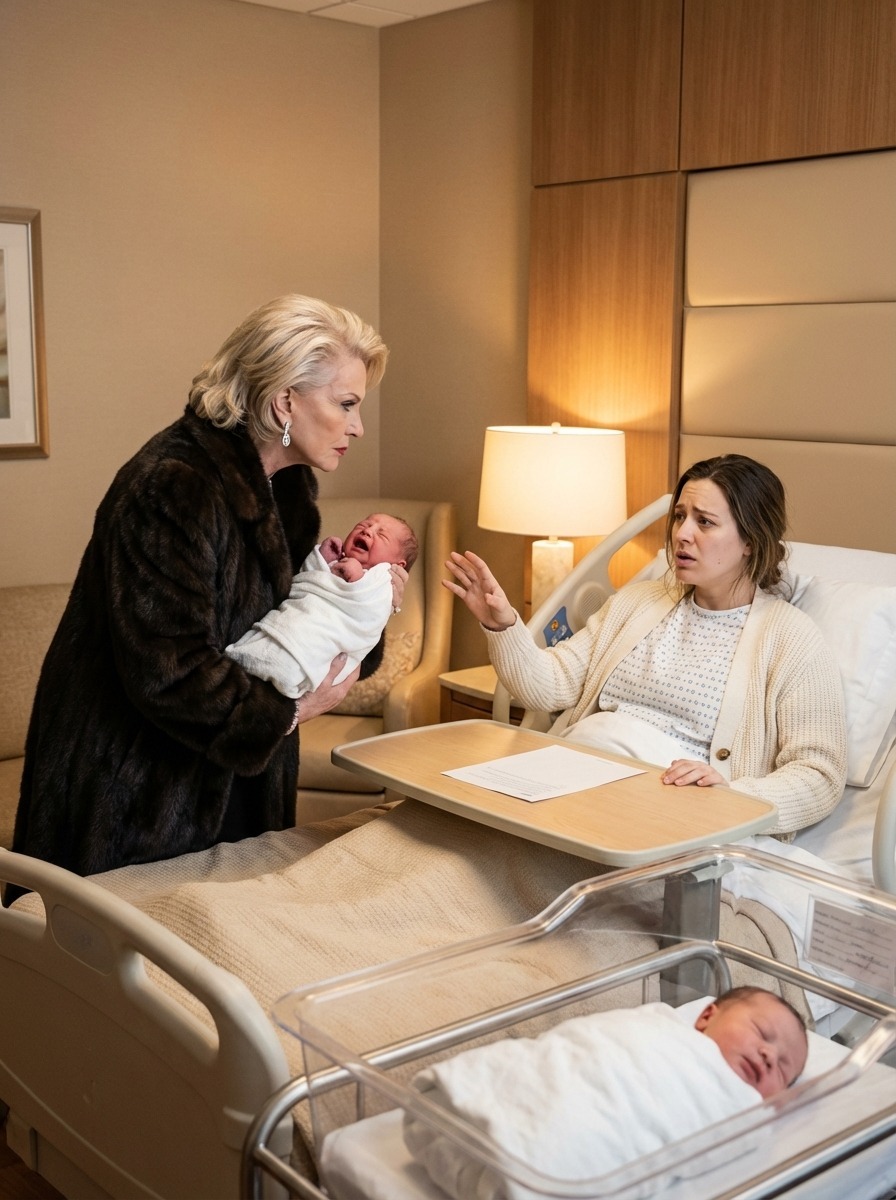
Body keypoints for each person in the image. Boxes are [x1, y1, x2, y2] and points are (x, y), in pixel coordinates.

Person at [8, 294, 404, 894]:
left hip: (236, 783)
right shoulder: (171, 486)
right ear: (285, 401)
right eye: (346, 404)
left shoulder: (287, 485)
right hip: (135, 792)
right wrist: (290, 713)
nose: (358, 426)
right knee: (111, 953)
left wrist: (368, 603)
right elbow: (170, 673)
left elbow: (303, 624)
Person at [444, 455, 847, 835]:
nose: (681, 534)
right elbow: (549, 686)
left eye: (705, 522)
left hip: (661, 807)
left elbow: (819, 775)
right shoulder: (639, 603)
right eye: (680, 516)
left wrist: (733, 795)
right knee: (451, 830)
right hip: (569, 774)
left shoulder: (791, 640)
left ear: (751, 541)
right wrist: (502, 625)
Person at [401, 985, 808, 1200]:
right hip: (535, 1085)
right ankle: (482, 1100)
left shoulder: (741, 1114)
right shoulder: (656, 1025)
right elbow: (588, 1045)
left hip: (545, 1159)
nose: (769, 1055)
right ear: (705, 1016)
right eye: (761, 1032)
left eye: (784, 1068)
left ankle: (524, 1152)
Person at [225, 512, 418, 699]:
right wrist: (321, 559)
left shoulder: (383, 580)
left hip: (309, 647)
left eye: (382, 535)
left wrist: (360, 580)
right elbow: (308, 581)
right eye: (364, 525)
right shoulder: (338, 562)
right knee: (253, 658)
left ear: (398, 565)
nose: (367, 531)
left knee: (281, 666)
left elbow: (365, 616)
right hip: (287, 625)